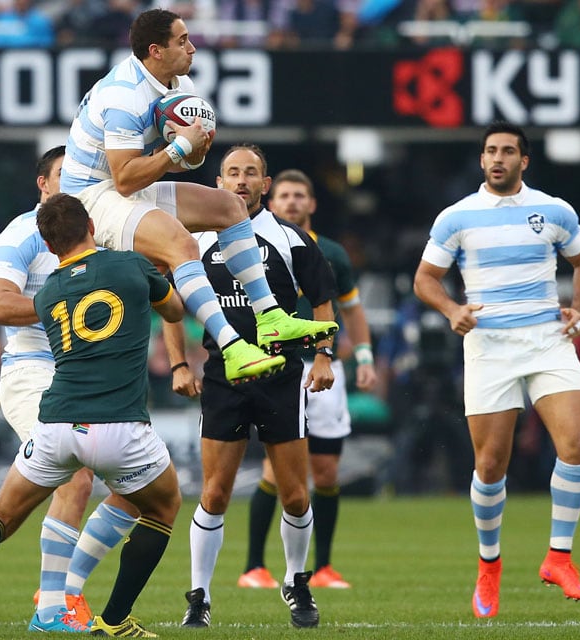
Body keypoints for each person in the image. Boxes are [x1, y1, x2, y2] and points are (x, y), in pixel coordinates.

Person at [0, 192, 185, 638]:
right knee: (163, 506)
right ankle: (114, 619)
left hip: (55, 426)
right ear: (93, 226)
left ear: (49, 246)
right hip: (120, 426)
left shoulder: (50, 291)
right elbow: (174, 309)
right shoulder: (130, 266)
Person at [61, 8, 337, 386]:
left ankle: (269, 317)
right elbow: (124, 179)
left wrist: (193, 152)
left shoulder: (181, 86)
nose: (192, 48)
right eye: (182, 41)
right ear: (155, 51)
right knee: (182, 245)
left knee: (230, 206)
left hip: (127, 185)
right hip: (91, 198)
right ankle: (233, 347)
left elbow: (173, 165)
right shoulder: (122, 96)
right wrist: (179, 149)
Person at [413, 121, 580, 618]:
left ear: (524, 160)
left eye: (508, 151)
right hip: (489, 346)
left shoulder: (554, 210)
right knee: (491, 464)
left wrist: (578, 306)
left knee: (577, 444)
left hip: (547, 340)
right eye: (491, 151)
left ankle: (559, 557)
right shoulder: (457, 217)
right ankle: (489, 566)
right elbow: (425, 279)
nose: (498, 158)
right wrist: (453, 310)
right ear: (481, 160)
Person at [169, 144, 337, 629]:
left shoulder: (292, 238)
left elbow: (322, 301)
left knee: (296, 496)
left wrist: (323, 355)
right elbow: (170, 303)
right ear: (217, 184)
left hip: (282, 376)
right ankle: (198, 596)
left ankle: (295, 580)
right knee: (215, 492)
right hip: (223, 376)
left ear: (265, 184)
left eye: (251, 173)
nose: (241, 181)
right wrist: (180, 363)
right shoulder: (191, 240)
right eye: (232, 173)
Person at [238, 169, 378, 591]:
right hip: (277, 366)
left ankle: (325, 567)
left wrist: (365, 355)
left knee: (326, 471)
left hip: (324, 365)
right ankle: (254, 566)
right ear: (271, 198)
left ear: (312, 204)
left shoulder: (331, 252)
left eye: (301, 195)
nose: (293, 202)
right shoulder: (248, 244)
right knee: (274, 468)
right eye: (285, 195)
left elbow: (350, 308)